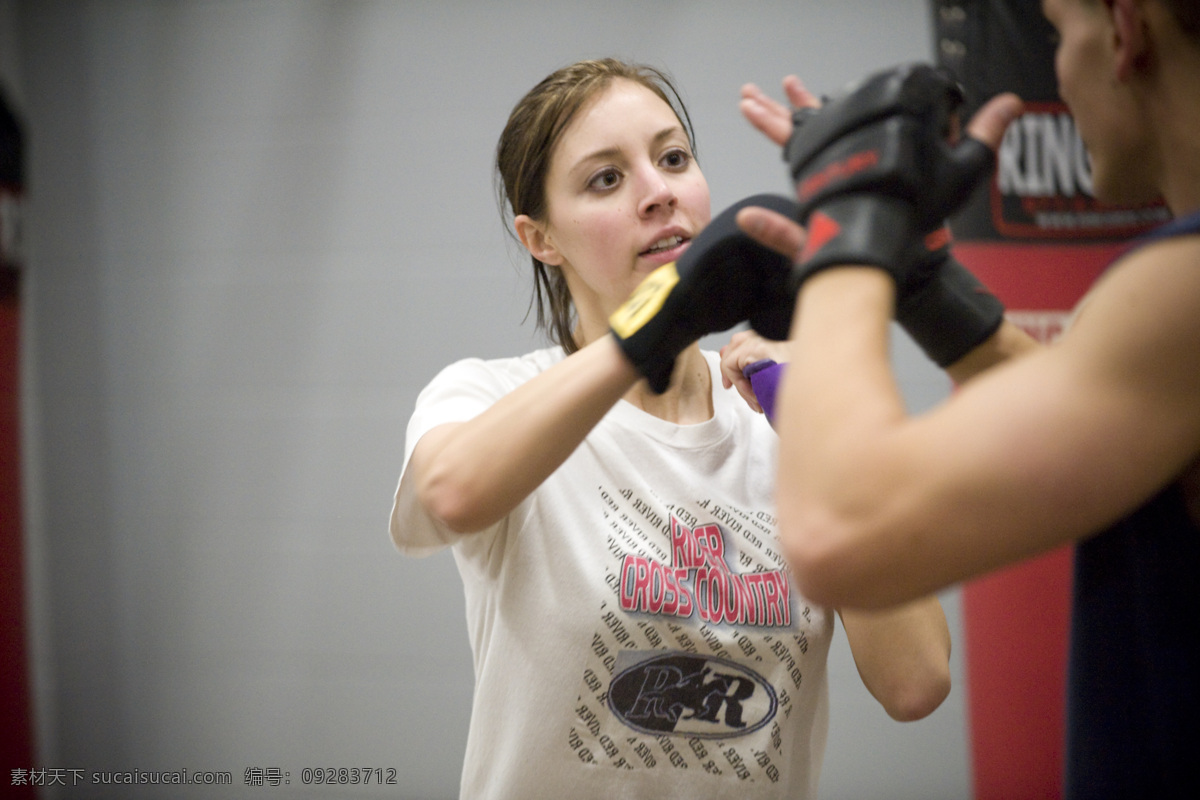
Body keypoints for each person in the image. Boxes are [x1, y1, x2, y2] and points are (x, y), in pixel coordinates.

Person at [390, 58, 954, 800]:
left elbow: (916, 682)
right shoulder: (491, 394)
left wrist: (819, 422)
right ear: (541, 238)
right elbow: (451, 494)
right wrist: (651, 331)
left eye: (673, 158)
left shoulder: (777, 415)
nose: (658, 193)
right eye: (605, 179)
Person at [732, 1, 1199, 796]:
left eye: (1060, 33)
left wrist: (848, 229)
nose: (1059, 66)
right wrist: (921, 280)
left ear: (1126, 30)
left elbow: (843, 531)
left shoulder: (1180, 293)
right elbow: (1064, 404)